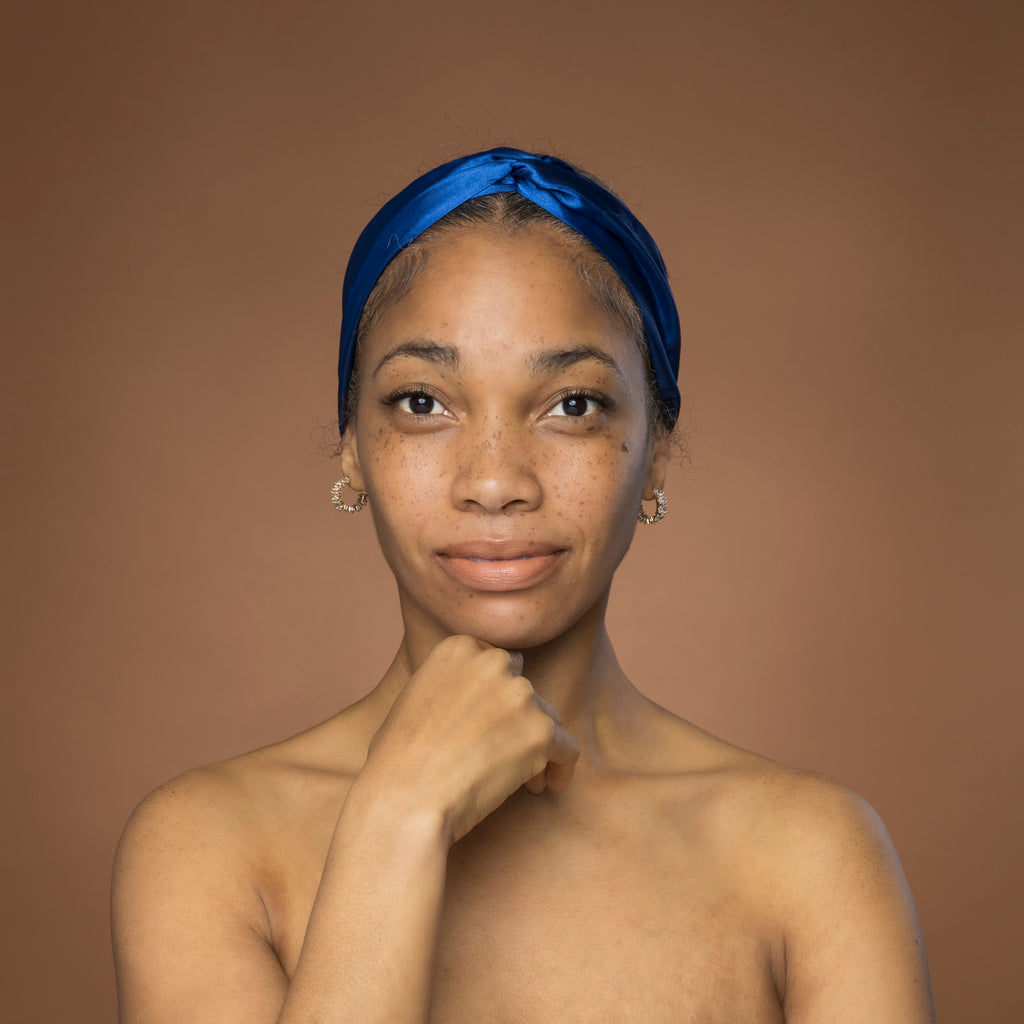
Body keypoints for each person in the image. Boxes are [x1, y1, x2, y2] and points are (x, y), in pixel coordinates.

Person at [111, 148, 936, 1023]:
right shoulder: (207, 847)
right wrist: (396, 820)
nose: (496, 481)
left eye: (572, 405)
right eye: (423, 403)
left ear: (656, 450)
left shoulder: (810, 858)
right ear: (352, 446)